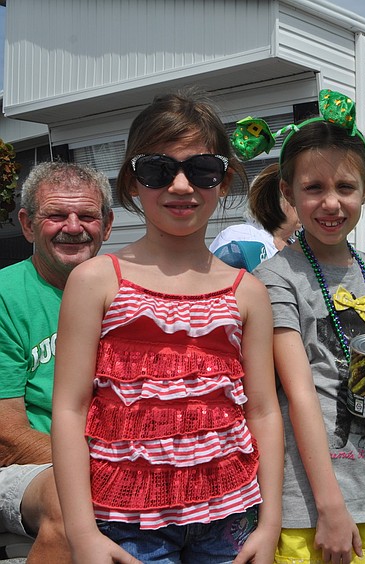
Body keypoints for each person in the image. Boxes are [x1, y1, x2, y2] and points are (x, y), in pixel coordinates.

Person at [50, 89, 284, 564]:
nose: (181, 185)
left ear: (224, 181)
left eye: (202, 170)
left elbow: (262, 411)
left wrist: (271, 520)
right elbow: (70, 410)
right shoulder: (95, 280)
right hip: (123, 524)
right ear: (133, 182)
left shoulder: (248, 292)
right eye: (158, 169)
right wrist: (82, 533)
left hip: (229, 519)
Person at [252, 89, 365, 564]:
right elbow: (298, 392)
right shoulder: (277, 276)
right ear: (287, 193)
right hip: (307, 505)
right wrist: (329, 506)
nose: (331, 203)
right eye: (313, 188)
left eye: (345, 188)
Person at [0, 161, 114, 563]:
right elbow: (8, 438)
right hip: (30, 464)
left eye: (86, 215)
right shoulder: (5, 296)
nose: (73, 226)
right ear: (28, 225)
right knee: (75, 506)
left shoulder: (127, 291)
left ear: (108, 224)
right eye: (56, 215)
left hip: (111, 458)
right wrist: (105, 466)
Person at [210, 163, 301, 271]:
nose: (303, 204)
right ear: (273, 202)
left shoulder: (295, 244)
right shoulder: (239, 238)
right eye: (294, 197)